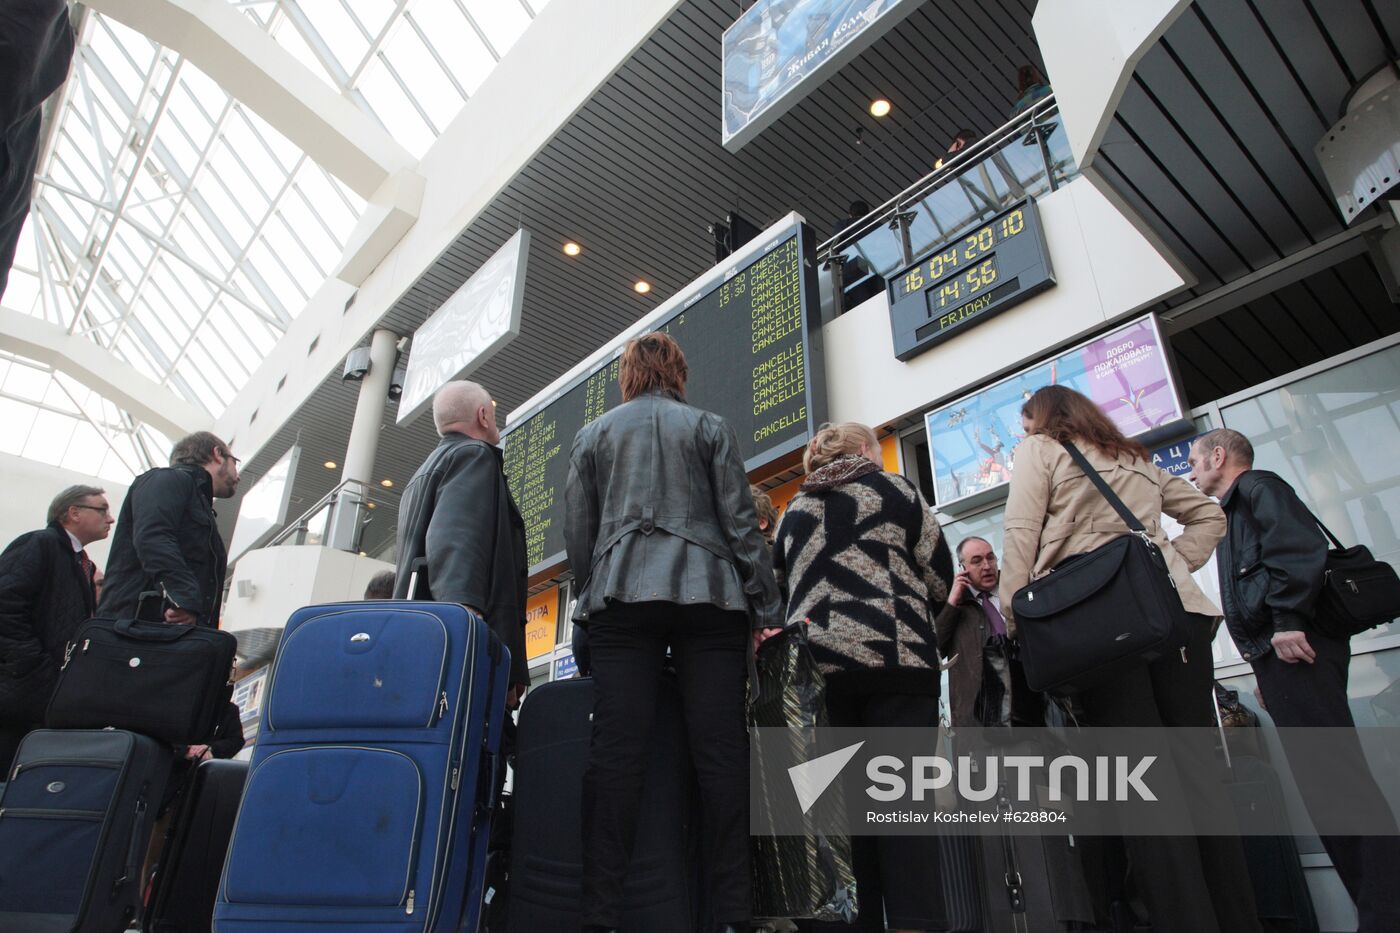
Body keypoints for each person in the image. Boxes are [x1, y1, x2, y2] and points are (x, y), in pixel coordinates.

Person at [999, 385, 1261, 933]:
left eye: (1026, 423)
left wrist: (1018, 610)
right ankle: (1237, 917)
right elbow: (1210, 517)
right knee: (1198, 774)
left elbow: (1021, 530)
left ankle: (1186, 921)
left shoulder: (1040, 450)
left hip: (1101, 624)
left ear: (1042, 419)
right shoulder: (1136, 456)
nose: (1024, 434)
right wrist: (1168, 570)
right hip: (1176, 619)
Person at [565, 332, 780, 933]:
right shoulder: (711, 427)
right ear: (679, 373)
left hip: (620, 598)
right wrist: (766, 605)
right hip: (710, 598)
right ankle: (734, 914)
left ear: (627, 376)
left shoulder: (592, 436)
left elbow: (578, 537)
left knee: (615, 756)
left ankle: (600, 915)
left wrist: (591, 593)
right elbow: (743, 526)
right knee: (721, 755)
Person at [1189, 428, 1400, 931]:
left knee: (1336, 782)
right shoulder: (1236, 507)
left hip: (1296, 644)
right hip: (1281, 656)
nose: (1191, 470)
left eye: (1196, 460)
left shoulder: (1258, 487)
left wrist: (1286, 624)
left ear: (1219, 456)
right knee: (1326, 784)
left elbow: (1296, 551)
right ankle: (1376, 908)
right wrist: (1266, 659)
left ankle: (1385, 913)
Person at [773, 421, 952, 933]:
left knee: (842, 826)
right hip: (897, 665)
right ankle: (917, 922)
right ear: (867, 450)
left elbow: (779, 593)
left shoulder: (793, 513)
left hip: (821, 679)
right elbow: (940, 577)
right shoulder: (897, 490)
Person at [394, 380, 529, 707]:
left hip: (422, 647)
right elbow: (456, 543)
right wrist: (470, 631)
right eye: (493, 415)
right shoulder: (473, 455)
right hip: (461, 653)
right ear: (483, 416)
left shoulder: (420, 475)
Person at [0, 485, 113, 773]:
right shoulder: (40, 544)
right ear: (73, 513)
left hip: (39, 698)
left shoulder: (79, 564)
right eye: (102, 509)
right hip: (19, 695)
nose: (110, 519)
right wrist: (34, 667)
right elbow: (5, 604)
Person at [100, 432, 239, 627]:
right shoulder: (167, 479)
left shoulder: (199, 503)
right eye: (235, 462)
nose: (237, 475)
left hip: (166, 636)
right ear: (217, 453)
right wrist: (183, 599)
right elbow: (153, 538)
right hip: (138, 634)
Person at [935, 537, 1040, 728]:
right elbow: (935, 651)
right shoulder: (953, 604)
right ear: (962, 568)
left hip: (1030, 705)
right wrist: (952, 604)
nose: (986, 566)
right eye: (976, 561)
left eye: (990, 558)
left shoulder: (1017, 589)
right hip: (979, 721)